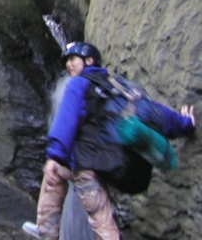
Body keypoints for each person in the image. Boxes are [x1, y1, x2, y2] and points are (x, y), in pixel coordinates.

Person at [22, 42, 196, 240]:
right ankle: (46, 230)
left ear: (89, 60)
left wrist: (54, 155)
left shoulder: (78, 84)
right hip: (113, 164)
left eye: (72, 59)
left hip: (87, 166)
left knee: (100, 218)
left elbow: (66, 120)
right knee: (57, 177)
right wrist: (185, 124)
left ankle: (47, 232)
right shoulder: (117, 86)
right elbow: (153, 113)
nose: (68, 65)